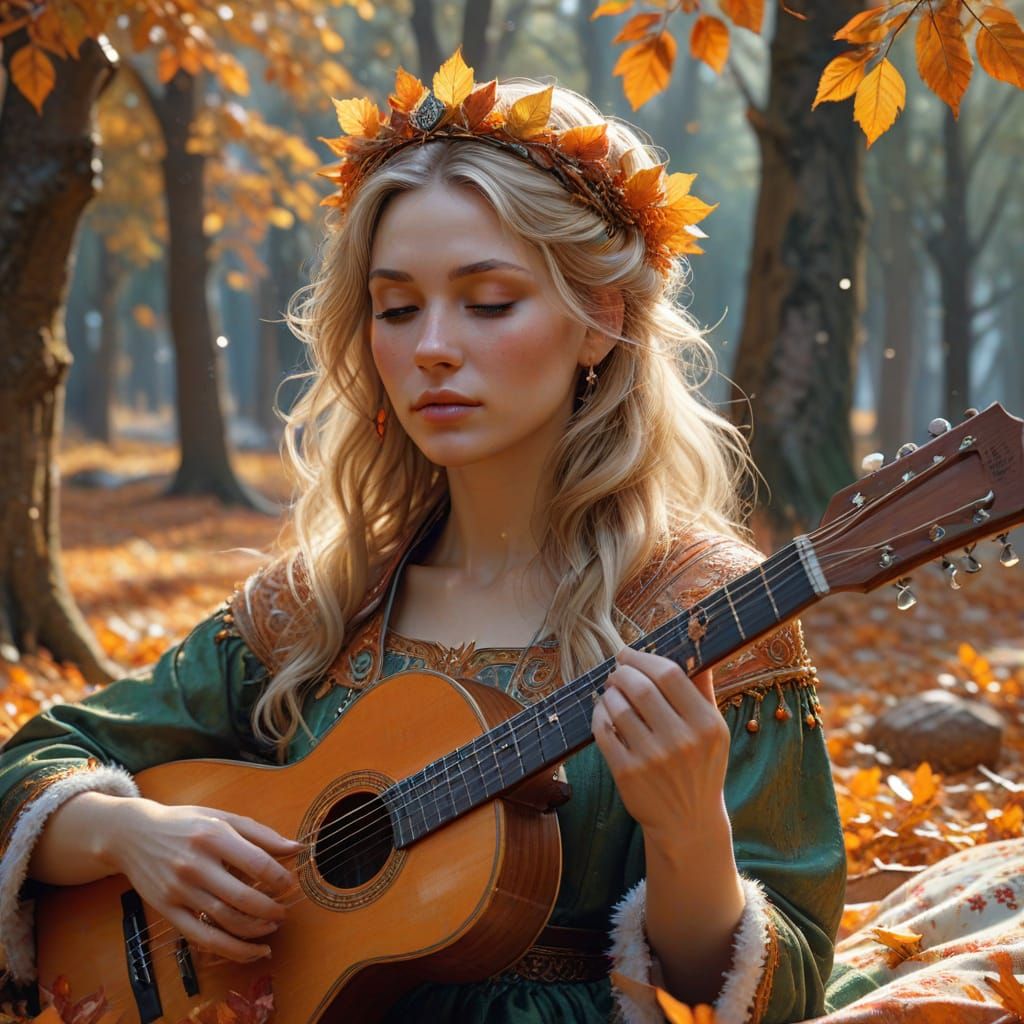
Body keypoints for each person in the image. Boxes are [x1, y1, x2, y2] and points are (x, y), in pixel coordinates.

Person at [0, 52, 847, 1024]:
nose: (432, 345)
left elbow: (777, 993)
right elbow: (36, 759)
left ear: (598, 321)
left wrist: (692, 834)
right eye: (397, 307)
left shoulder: (705, 612)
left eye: (488, 302)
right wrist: (126, 833)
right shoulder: (324, 601)